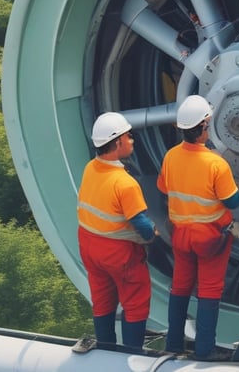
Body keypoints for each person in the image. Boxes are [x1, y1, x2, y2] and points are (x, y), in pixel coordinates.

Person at [157, 95, 239, 360]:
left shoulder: (171, 156)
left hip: (181, 234)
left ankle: (173, 344)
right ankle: (205, 349)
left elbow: (163, 187)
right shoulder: (215, 163)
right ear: (204, 126)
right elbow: (234, 201)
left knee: (180, 288)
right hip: (210, 238)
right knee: (209, 290)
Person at [77, 112, 157, 350]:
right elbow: (142, 226)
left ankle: (105, 351)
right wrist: (153, 234)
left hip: (89, 246)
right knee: (135, 303)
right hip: (118, 254)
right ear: (119, 142)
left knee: (102, 301)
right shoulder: (125, 183)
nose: (132, 140)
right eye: (129, 136)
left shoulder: (91, 168)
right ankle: (130, 354)